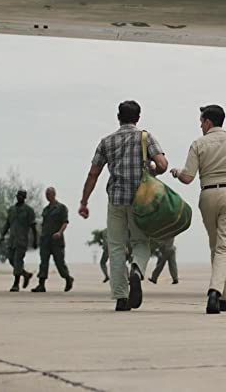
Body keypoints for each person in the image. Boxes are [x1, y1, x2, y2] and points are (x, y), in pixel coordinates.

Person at [79, 100, 169, 312]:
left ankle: (121, 296)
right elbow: (163, 165)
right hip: (142, 199)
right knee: (141, 241)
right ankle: (137, 270)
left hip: (117, 199)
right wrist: (152, 168)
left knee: (116, 246)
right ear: (138, 118)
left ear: (118, 117)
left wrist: (84, 201)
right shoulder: (145, 138)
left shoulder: (106, 142)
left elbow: (93, 173)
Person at [171, 105, 226, 314]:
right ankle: (215, 292)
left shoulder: (198, 144)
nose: (201, 126)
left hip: (208, 195)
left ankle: (224, 297)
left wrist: (176, 172)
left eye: (201, 122)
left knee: (217, 247)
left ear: (208, 122)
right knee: (225, 248)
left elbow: (188, 178)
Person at [32, 187, 74, 293]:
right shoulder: (45, 210)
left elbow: (65, 222)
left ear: (54, 194)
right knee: (43, 262)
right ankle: (41, 285)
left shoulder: (61, 208)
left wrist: (60, 232)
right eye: (46, 194)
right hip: (45, 240)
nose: (47, 196)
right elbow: (44, 224)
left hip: (56, 240)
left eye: (49, 194)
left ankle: (68, 278)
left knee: (59, 262)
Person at [0, 190, 37, 292]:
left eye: (22, 196)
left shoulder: (29, 210)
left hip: (22, 240)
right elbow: (7, 224)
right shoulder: (11, 210)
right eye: (18, 195)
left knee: (18, 261)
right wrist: (2, 235)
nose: (19, 197)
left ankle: (16, 284)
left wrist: (35, 240)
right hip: (12, 240)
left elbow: (33, 227)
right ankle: (25, 274)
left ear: (25, 197)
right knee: (11, 259)